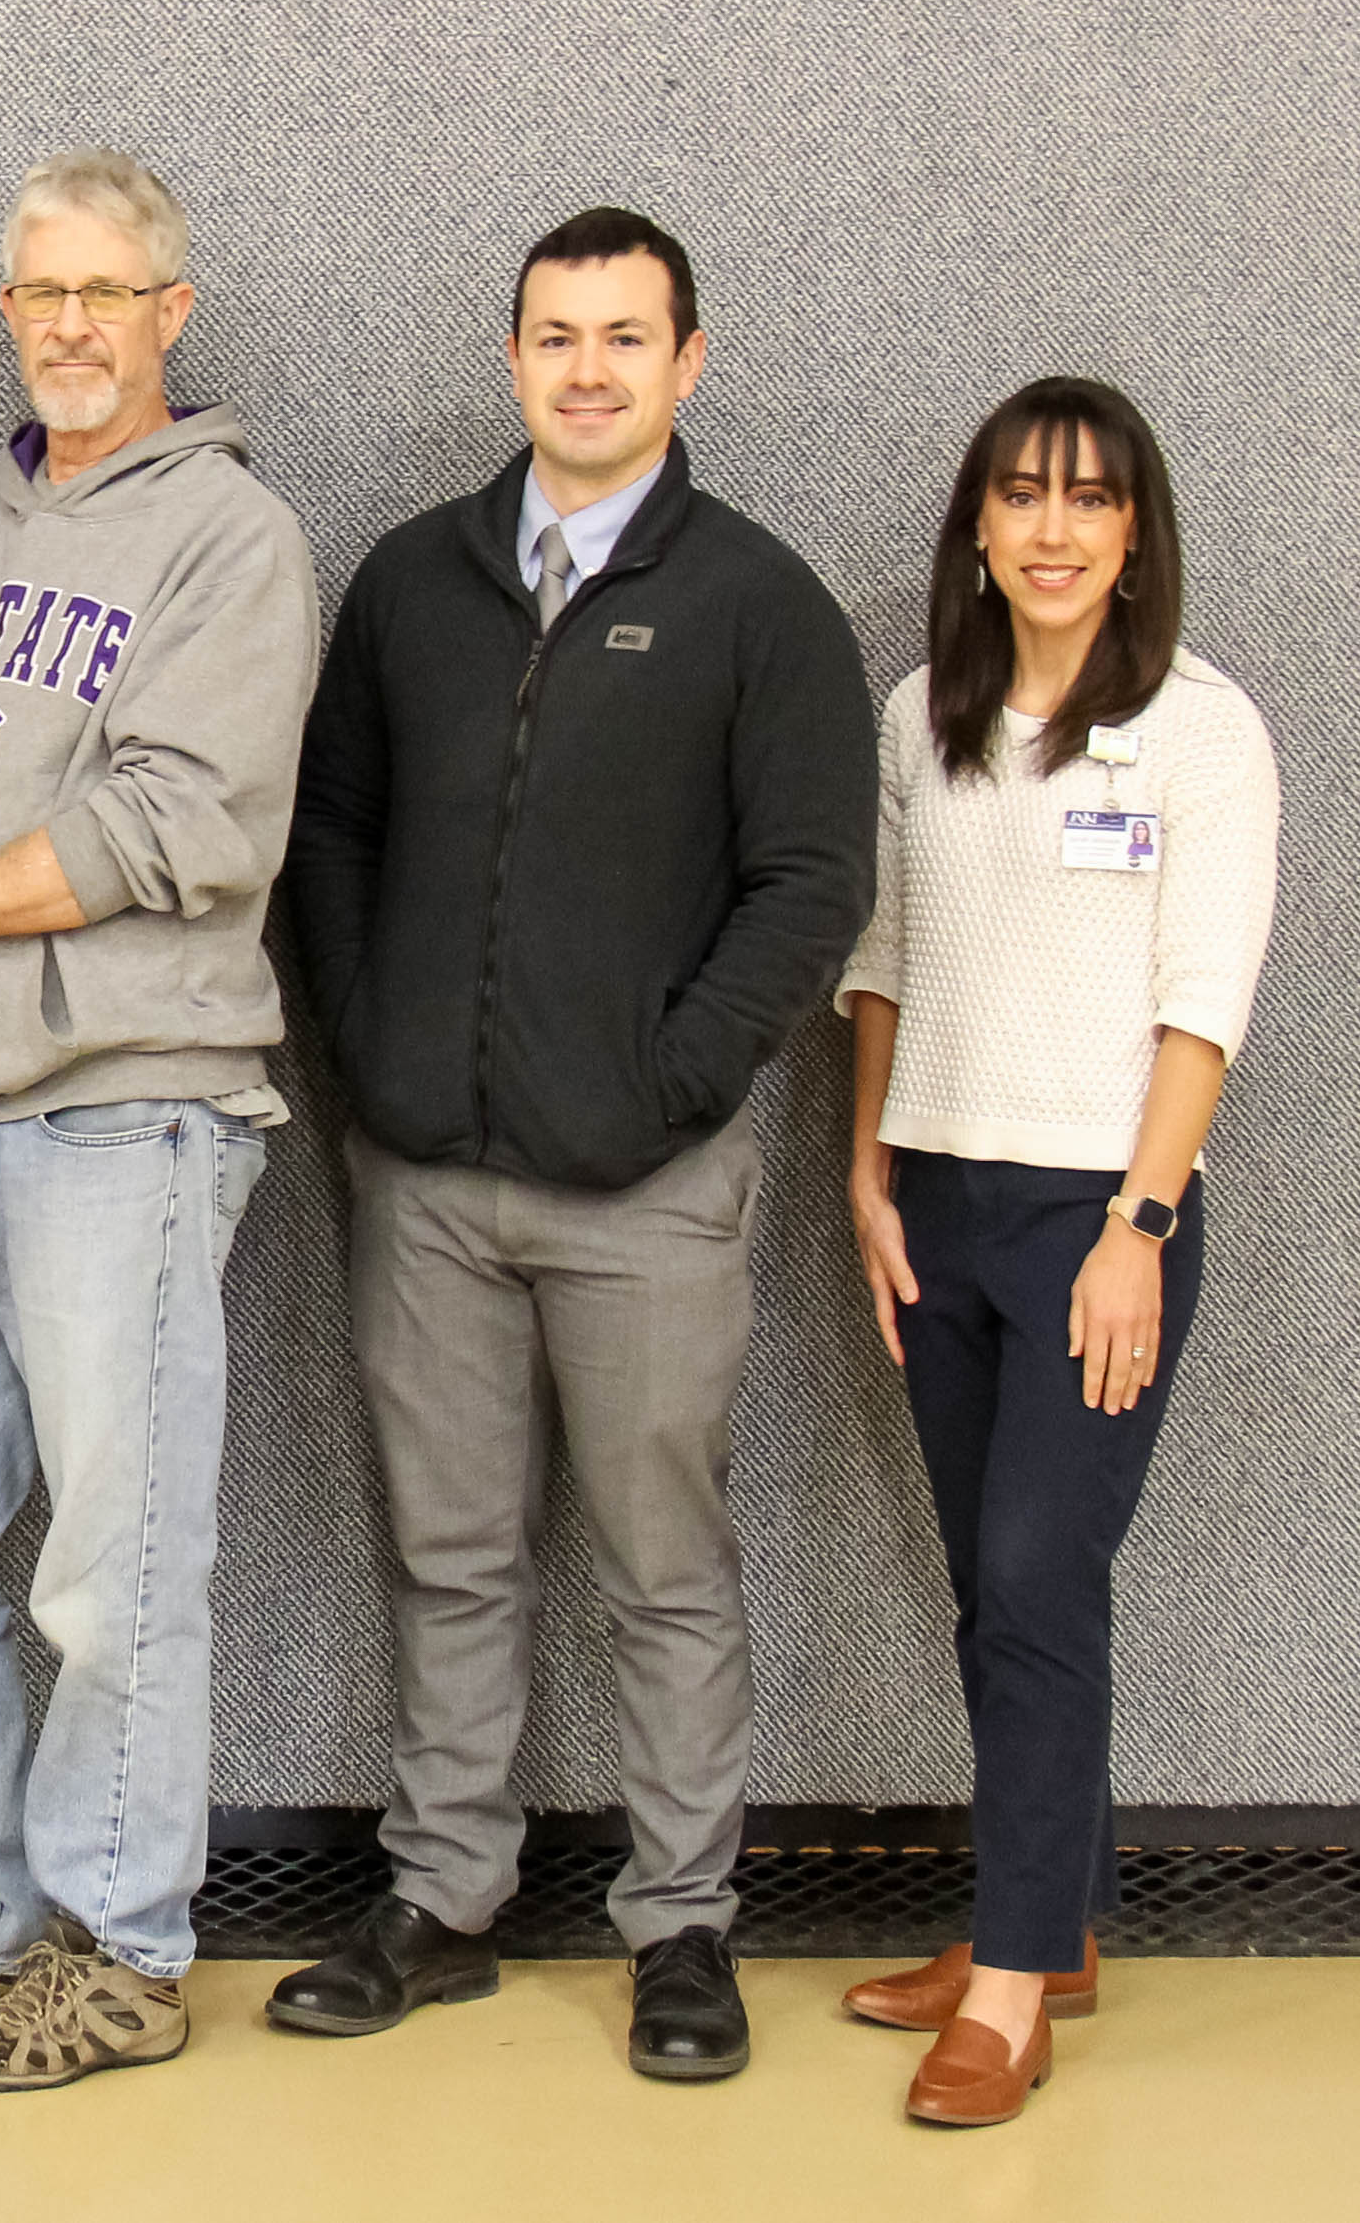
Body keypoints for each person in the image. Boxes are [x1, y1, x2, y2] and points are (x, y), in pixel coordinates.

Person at [274, 207, 873, 2081]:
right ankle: (445, 1892)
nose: (590, 367)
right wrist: (374, 1054)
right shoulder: (411, 585)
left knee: (660, 1561)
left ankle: (681, 1924)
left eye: (627, 336)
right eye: (556, 334)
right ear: (514, 358)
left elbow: (810, 887)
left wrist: (668, 1086)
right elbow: (334, 837)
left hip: (650, 1188)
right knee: (448, 1552)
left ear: (688, 365)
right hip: (429, 1183)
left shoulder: (759, 605)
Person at [0, 151, 318, 2090]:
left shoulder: (230, 537)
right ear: (6, 310)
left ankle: (123, 1942)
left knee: (110, 1570)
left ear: (169, 314)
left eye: (110, 292)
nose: (74, 324)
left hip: (134, 1115)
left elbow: (178, 819)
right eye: (43, 292)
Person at [833, 379, 1276, 2127]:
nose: (1054, 527)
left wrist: (1139, 1228)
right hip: (934, 1197)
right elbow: (883, 953)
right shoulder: (919, 713)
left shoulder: (1199, 728)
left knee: (1034, 1572)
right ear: (980, 523)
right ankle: (1053, 1919)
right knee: (993, 1579)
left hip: (1100, 1212)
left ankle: (1010, 1988)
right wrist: (862, 1171)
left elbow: (1203, 1002)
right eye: (1021, 493)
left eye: (1091, 499)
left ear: (1138, 530)